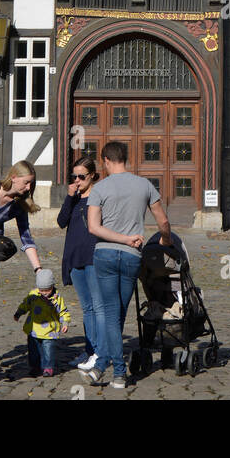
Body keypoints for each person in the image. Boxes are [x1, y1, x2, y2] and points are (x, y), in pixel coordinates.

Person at [79, 140, 172, 390]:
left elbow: (93, 227)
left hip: (105, 256)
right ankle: (102, 366)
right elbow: (163, 220)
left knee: (112, 313)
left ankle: (117, 372)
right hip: (132, 257)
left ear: (106, 161)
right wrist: (165, 240)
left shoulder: (100, 188)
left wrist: (121, 238)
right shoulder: (144, 185)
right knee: (117, 313)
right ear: (126, 159)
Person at [0, 160, 43, 372]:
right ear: (13, 177)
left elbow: (26, 237)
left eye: (31, 184)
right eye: (26, 182)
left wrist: (38, 269)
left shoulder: (19, 205)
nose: (28, 188)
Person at [57, 157, 101, 371]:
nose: (77, 180)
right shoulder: (74, 198)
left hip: (93, 257)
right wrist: (69, 197)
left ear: (92, 175)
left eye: (81, 176)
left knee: (96, 307)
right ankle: (89, 350)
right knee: (86, 308)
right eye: (74, 176)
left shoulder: (99, 197)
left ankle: (98, 352)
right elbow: (61, 221)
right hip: (74, 258)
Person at [13, 269, 70, 377]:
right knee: (33, 351)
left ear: (52, 286)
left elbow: (63, 311)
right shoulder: (33, 295)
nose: (44, 293)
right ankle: (35, 367)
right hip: (34, 330)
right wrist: (19, 313)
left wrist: (65, 323)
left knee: (48, 351)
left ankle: (48, 367)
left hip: (50, 331)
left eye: (47, 290)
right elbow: (25, 304)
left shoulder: (56, 298)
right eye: (41, 290)